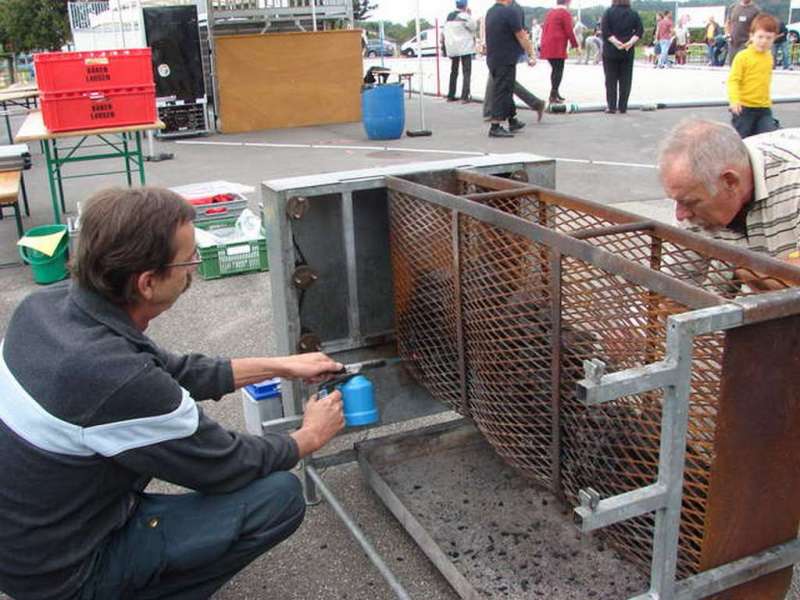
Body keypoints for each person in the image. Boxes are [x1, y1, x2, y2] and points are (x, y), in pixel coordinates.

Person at [0, 187, 347, 600]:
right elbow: (227, 465)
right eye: (188, 260)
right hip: (65, 575)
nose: (194, 269)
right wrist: (310, 436)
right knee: (278, 497)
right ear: (147, 283)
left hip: (31, 540)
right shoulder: (117, 379)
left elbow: (173, 371)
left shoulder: (46, 307)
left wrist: (280, 365)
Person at [658, 119, 800, 287]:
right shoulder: (693, 191)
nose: (680, 215)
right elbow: (674, 284)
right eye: (678, 201)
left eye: (689, 202)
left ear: (730, 181)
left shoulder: (794, 179)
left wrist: (747, 270)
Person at [484, 0, 539, 137]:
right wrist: (531, 53)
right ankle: (495, 125)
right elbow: (521, 35)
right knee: (502, 91)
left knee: (506, 89)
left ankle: (512, 119)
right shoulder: (510, 12)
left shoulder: (491, 12)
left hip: (493, 57)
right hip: (506, 58)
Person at [728, 13, 780, 138]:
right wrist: (734, 100)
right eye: (760, 37)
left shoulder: (769, 57)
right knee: (742, 141)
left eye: (769, 38)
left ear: (774, 39)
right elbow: (733, 80)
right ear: (751, 36)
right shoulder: (743, 57)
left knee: (768, 138)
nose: (764, 41)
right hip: (744, 108)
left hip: (764, 108)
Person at [600, 0, 642, 114]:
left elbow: (605, 31)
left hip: (610, 51)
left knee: (610, 80)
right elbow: (639, 31)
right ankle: (623, 107)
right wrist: (629, 43)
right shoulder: (634, 13)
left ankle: (611, 106)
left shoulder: (608, 12)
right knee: (626, 80)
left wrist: (616, 43)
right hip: (627, 52)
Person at [539, 0, 580, 104]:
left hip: (547, 44)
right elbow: (569, 31)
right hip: (557, 45)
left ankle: (555, 92)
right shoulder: (565, 13)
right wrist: (576, 46)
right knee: (558, 70)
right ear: (568, 2)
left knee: (555, 69)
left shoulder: (551, 12)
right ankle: (553, 95)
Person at [444, 0, 479, 103]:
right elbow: (474, 27)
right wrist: (469, 15)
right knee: (466, 72)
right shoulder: (465, 16)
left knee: (454, 72)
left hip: (452, 47)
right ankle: (464, 97)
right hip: (465, 47)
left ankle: (450, 95)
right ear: (465, 5)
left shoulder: (449, 16)